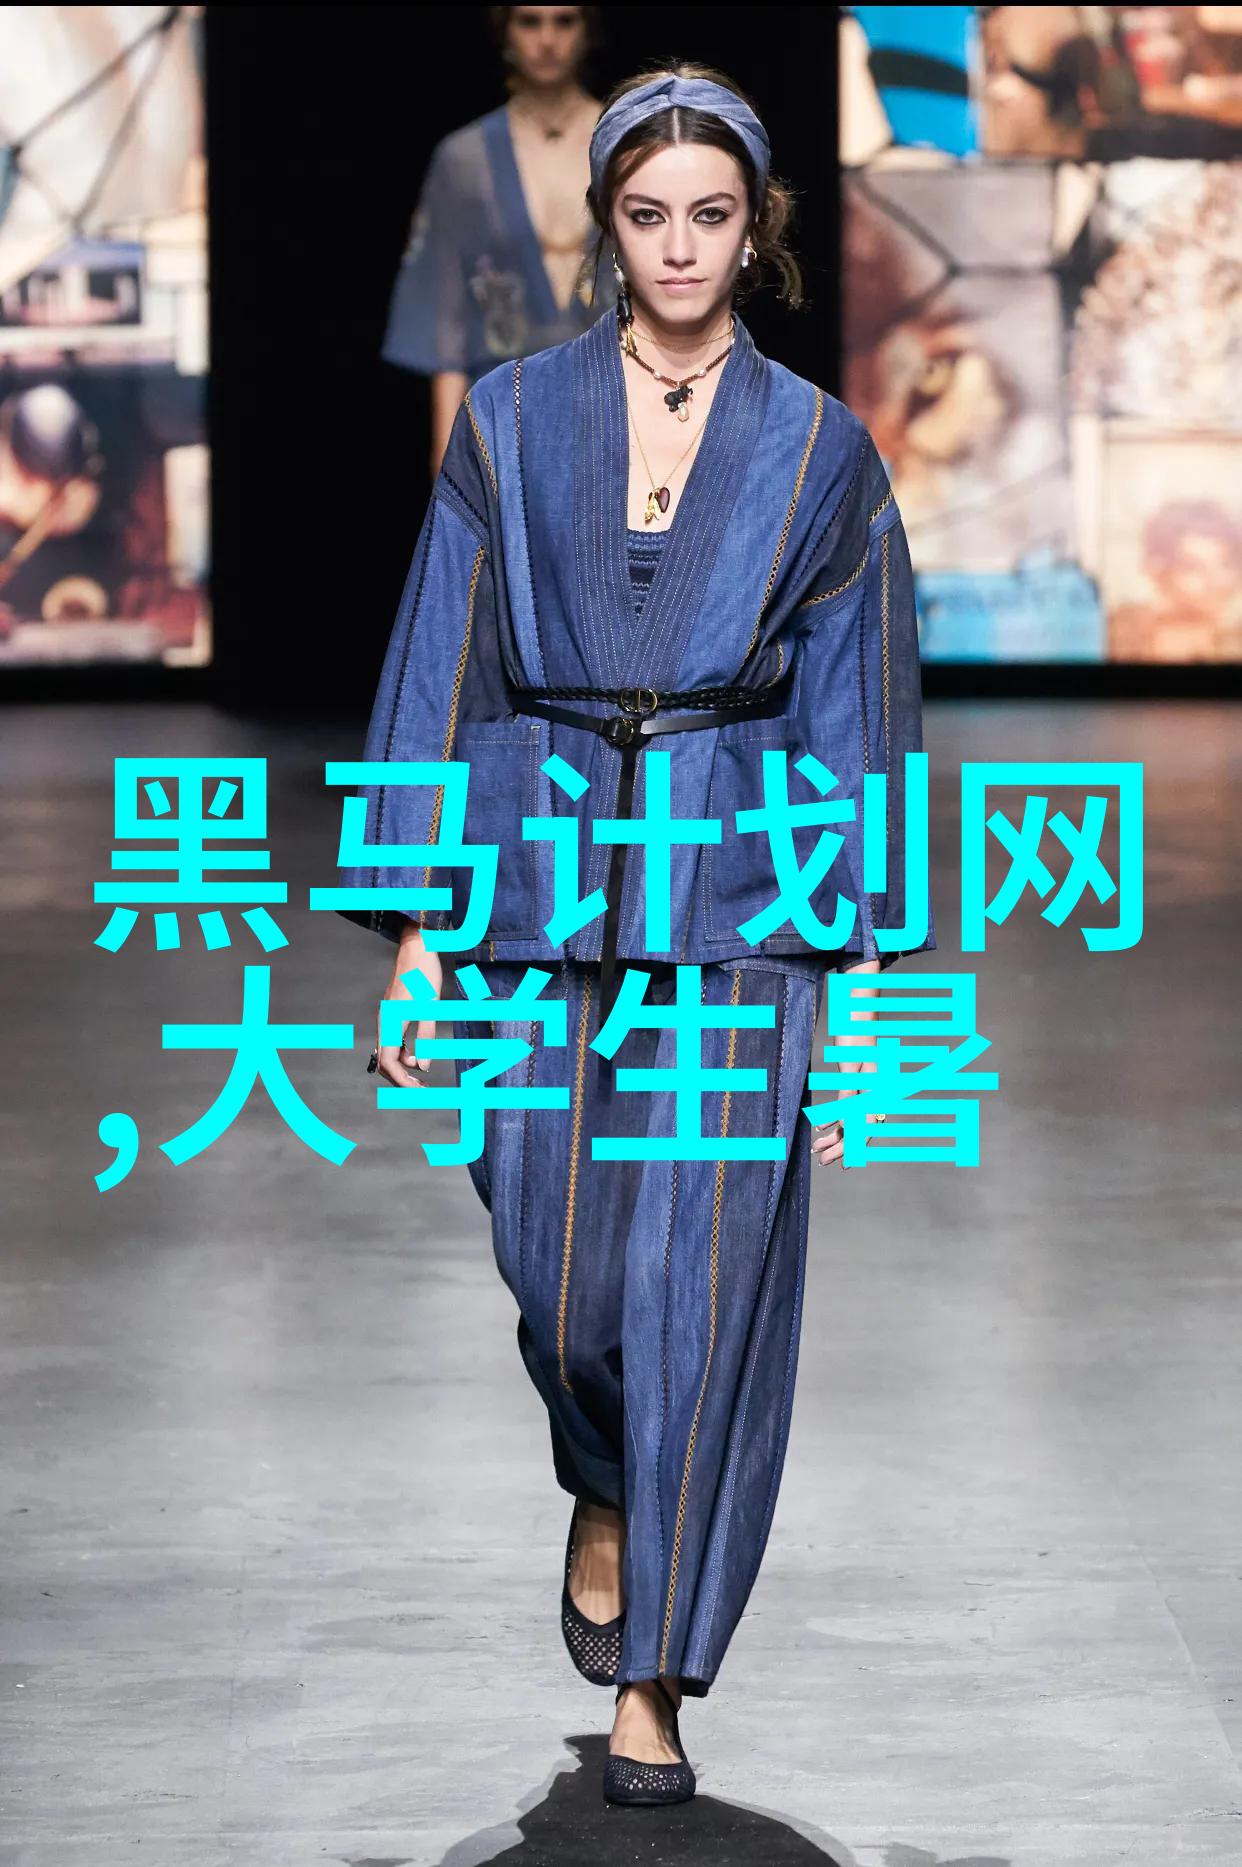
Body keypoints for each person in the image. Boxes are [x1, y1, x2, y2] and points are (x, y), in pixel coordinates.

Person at [339, 64, 936, 1808]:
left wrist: (861, 989)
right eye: (648, 213)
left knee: (704, 1288)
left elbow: (861, 718)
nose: (680, 246)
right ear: (605, 226)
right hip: (535, 883)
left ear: (757, 230)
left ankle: (656, 1684)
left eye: (712, 215)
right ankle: (599, 1469)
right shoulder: (511, 423)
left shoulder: (820, 451)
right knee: (567, 1284)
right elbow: (443, 660)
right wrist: (419, 934)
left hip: (740, 893)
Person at [382, 4, 612, 474]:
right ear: (505, 31)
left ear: (587, 30)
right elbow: (446, 329)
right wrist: (448, 473)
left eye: (564, 21)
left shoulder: (627, 148)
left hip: (618, 410)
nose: (547, 39)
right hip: (501, 421)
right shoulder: (464, 160)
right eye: (529, 21)